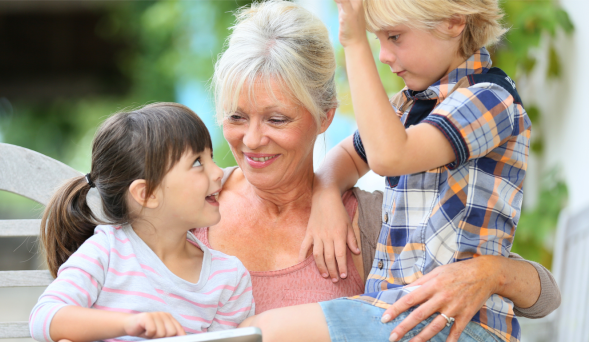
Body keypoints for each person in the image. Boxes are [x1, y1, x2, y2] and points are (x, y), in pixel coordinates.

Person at [206, 1, 557, 342]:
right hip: (401, 314)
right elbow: (353, 153)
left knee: (263, 332)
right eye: (236, 116)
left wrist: (355, 41)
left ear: (453, 22)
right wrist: (326, 191)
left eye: (394, 37)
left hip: (447, 323)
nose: (385, 55)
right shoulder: (410, 105)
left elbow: (388, 155)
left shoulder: (490, 99)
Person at [29, 103, 254, 342]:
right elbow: (44, 317)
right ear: (147, 194)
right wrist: (129, 324)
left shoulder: (229, 277)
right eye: (198, 162)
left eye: (211, 157)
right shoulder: (106, 252)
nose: (219, 172)